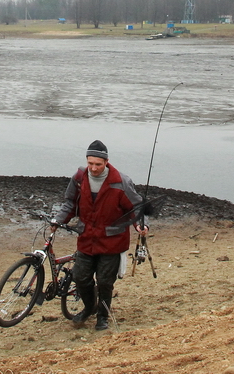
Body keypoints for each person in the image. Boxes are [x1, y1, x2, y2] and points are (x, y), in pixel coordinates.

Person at [50, 140, 147, 331]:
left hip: (112, 241)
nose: (93, 168)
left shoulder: (121, 181)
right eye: (90, 163)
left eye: (98, 164)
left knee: (104, 282)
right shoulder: (79, 178)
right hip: (87, 238)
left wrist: (141, 225)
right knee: (80, 277)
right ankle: (89, 308)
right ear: (87, 161)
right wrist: (58, 220)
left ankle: (103, 316)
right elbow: (70, 203)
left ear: (106, 162)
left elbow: (136, 208)